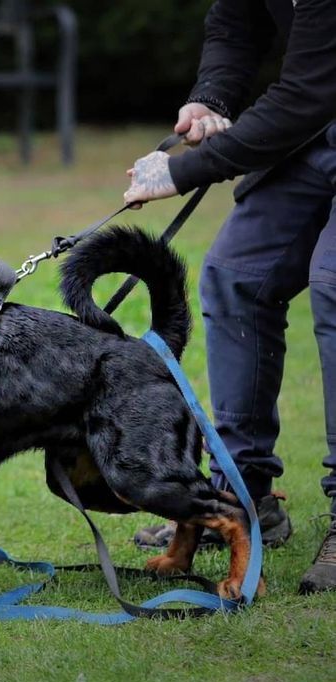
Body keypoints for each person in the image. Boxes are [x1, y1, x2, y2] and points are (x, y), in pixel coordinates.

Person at [123, 0, 336, 593]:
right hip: (318, 127)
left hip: (315, 104)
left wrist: (183, 172)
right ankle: (242, 494)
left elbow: (309, 90)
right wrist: (212, 97)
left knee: (334, 286)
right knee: (236, 273)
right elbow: (237, 19)